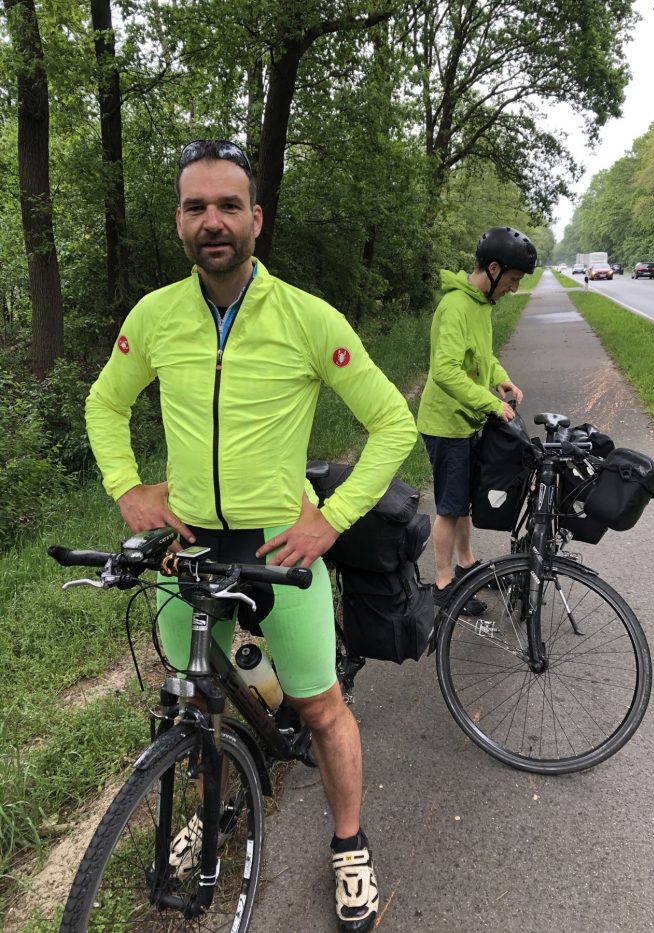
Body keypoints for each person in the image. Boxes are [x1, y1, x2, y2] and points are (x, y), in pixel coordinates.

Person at [85, 139, 417, 932]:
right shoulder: (155, 316)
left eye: (228, 205)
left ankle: (348, 842)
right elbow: (105, 402)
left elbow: (392, 422)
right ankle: (214, 802)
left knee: (323, 709)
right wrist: (128, 488)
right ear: (178, 221)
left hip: (278, 546)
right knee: (195, 703)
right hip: (189, 546)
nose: (213, 220)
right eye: (196, 206)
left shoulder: (306, 316)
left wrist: (329, 518)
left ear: (256, 219)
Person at [416, 226, 537, 610]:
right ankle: (443, 584)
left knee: (464, 501)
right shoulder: (456, 306)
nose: (514, 288)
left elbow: (483, 356)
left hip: (465, 421)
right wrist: (491, 404)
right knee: (450, 507)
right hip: (445, 425)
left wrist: (500, 378)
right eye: (513, 279)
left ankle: (467, 565)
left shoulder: (481, 305)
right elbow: (445, 372)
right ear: (494, 269)